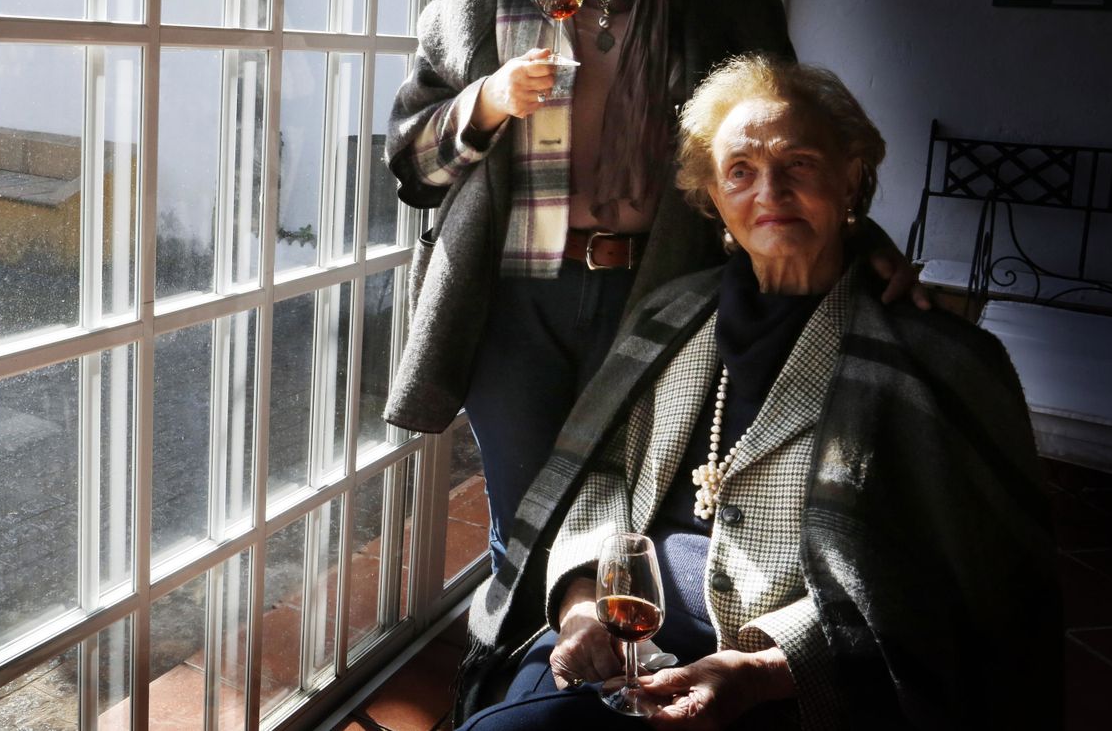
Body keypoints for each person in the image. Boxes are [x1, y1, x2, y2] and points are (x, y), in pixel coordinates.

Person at [453, 56, 1061, 729]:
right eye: (739, 171)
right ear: (713, 198)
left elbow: (944, 587)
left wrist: (757, 669)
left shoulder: (940, 360)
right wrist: (580, 605)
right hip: (619, 630)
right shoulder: (669, 315)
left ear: (851, 177)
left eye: (798, 163)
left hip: (798, 679)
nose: (769, 189)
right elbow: (603, 474)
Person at [384, 0, 797, 567]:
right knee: (528, 534)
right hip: (512, 302)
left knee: (629, 529)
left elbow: (791, 157)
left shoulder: (731, 4)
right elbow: (407, 160)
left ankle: (591, 687)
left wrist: (863, 249)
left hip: (666, 300)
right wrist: (488, 101)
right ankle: (511, 687)